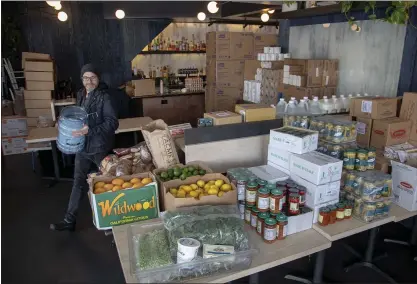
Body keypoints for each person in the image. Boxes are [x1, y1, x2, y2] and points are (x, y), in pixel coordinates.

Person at [50, 64, 119, 231]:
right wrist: (64, 121)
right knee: (78, 183)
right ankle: (69, 220)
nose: (89, 81)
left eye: (93, 77)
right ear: (82, 79)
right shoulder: (81, 94)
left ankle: (115, 221)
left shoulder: (105, 97)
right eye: (86, 78)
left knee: (109, 183)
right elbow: (79, 116)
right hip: (82, 148)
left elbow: (113, 123)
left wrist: (91, 130)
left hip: (99, 148)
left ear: (98, 78)